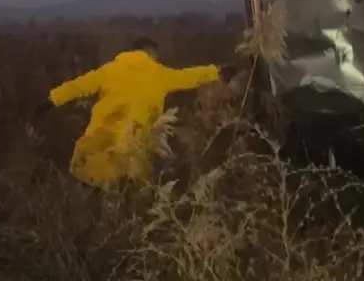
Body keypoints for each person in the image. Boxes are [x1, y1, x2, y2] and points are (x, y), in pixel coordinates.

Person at [33, 36, 237, 189]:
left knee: (83, 201)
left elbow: (77, 86)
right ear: (150, 53)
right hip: (134, 156)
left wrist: (50, 101)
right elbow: (190, 76)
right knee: (127, 207)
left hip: (98, 149)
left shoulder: (109, 70)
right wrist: (218, 71)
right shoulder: (160, 73)